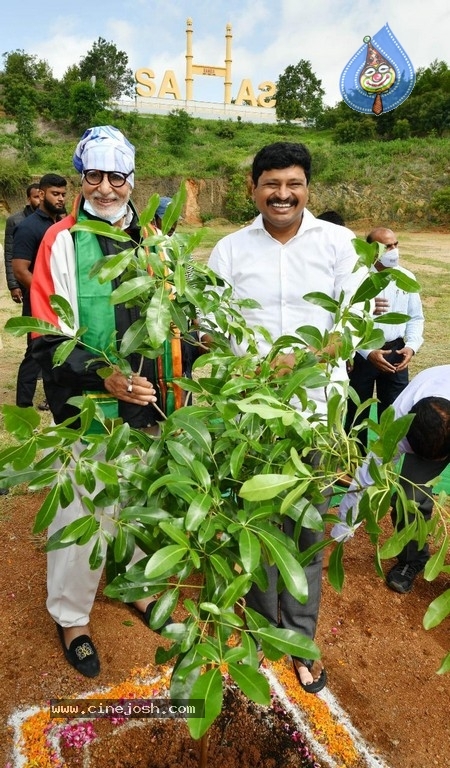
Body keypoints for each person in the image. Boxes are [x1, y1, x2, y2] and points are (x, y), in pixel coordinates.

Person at [205, 141, 369, 693]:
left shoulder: (340, 245)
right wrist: (243, 365)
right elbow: (209, 327)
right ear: (253, 187)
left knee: (302, 531)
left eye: (293, 183)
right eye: (271, 184)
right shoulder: (228, 250)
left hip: (317, 413)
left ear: (307, 188)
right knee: (252, 526)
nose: (282, 194)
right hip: (249, 417)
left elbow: (356, 327)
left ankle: (299, 637)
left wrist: (295, 361)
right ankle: (261, 627)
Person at [29, 126, 173, 678]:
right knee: (82, 506)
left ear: (132, 179)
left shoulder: (154, 241)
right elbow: (48, 333)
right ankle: (70, 617)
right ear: (80, 179)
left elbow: (167, 320)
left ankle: (136, 585)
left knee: (137, 497)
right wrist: (105, 378)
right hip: (85, 402)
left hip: (145, 401)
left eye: (117, 177)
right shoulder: (61, 239)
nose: (106, 188)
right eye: (94, 176)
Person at [333, 366, 450, 594]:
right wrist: (339, 539)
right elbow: (364, 482)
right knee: (410, 499)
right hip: (427, 433)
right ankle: (411, 559)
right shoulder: (396, 427)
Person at [345, 227, 424, 453]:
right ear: (371, 251)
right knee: (356, 410)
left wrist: (411, 346)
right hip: (363, 353)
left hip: (396, 353)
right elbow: (347, 321)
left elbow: (415, 318)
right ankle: (354, 462)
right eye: (387, 246)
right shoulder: (357, 280)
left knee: (394, 411)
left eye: (395, 244)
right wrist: (366, 352)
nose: (393, 251)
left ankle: (384, 465)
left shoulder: (406, 279)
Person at [12, 174, 68, 409]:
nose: (61, 199)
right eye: (55, 194)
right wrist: (45, 295)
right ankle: (23, 404)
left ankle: (54, 401)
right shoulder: (28, 227)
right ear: (42, 194)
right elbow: (20, 269)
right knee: (35, 353)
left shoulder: (62, 224)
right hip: (39, 301)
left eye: (64, 194)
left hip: (61, 301)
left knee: (60, 352)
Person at [3, 183, 41, 304]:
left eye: (41, 196)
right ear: (28, 199)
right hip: (25, 278)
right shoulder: (15, 220)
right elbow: (9, 253)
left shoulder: (52, 218)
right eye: (36, 197)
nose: (39, 200)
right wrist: (13, 286)